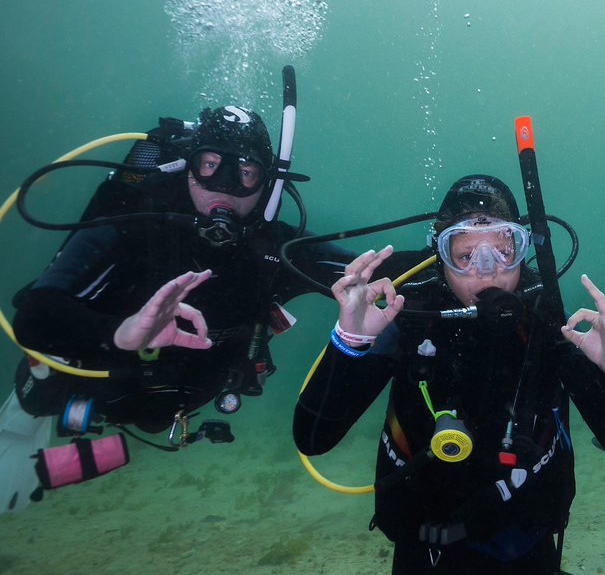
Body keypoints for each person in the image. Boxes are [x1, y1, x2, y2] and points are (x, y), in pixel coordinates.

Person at [293, 174, 605, 575]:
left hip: (523, 542)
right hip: (425, 547)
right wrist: (350, 342)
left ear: (524, 250)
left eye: (503, 251)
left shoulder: (547, 321)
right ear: (439, 257)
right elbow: (313, 438)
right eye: (464, 255)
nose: (486, 271)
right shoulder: (407, 316)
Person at [0, 105, 351, 513]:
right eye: (210, 165)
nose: (224, 187)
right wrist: (119, 332)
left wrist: (420, 263)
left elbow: (375, 272)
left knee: (150, 423)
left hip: (181, 401)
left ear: (267, 183)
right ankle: (24, 421)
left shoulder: (276, 250)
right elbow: (35, 317)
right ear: (187, 167)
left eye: (245, 173)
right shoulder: (132, 224)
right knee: (42, 396)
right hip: (97, 386)